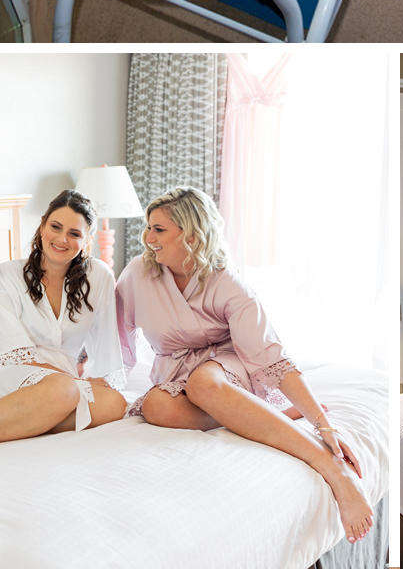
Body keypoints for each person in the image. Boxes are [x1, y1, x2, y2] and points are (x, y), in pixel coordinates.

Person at [115, 186, 373, 545]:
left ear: (191, 234)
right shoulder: (137, 275)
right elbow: (117, 340)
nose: (147, 238)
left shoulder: (225, 280)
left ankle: (333, 470)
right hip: (174, 368)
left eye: (159, 229)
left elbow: (270, 355)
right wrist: (97, 383)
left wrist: (322, 422)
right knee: (156, 406)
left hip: (226, 363)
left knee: (203, 384)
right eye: (148, 227)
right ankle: (266, 415)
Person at [0, 189, 127, 439]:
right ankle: (32, 412)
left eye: (74, 233)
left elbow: (107, 344)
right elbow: (12, 353)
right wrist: (74, 382)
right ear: (42, 227)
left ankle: (28, 419)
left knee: (115, 404)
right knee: (62, 388)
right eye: (55, 227)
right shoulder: (7, 275)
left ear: (86, 241)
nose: (62, 239)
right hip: (16, 371)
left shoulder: (99, 275)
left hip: (66, 385)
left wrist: (94, 381)